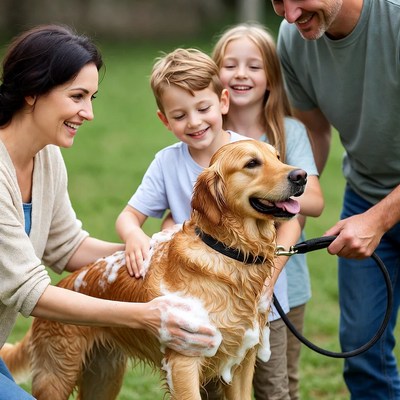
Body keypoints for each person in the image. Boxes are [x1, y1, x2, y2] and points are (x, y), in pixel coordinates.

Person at [0, 25, 220, 400]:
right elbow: (31, 292)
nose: (89, 113)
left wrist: (161, 252)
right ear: (33, 92)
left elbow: (67, 248)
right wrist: (145, 315)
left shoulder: (47, 157)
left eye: (92, 97)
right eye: (78, 97)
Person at [271, 0, 400, 398]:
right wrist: (290, 206)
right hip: (366, 191)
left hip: (375, 211)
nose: (290, 15)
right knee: (363, 347)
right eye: (277, 1)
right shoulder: (293, 38)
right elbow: (314, 131)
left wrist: (379, 220)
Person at [211, 23, 324, 400]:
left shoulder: (288, 132)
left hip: (285, 287)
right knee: (216, 384)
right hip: (220, 288)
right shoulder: (209, 137)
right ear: (217, 78)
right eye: (230, 65)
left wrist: (276, 195)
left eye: (254, 66)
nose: (241, 74)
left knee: (278, 385)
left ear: (271, 79)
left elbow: (315, 202)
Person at [115, 47, 251, 278]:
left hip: (248, 281)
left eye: (203, 108)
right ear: (165, 120)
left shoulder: (249, 154)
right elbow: (127, 217)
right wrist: (133, 235)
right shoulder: (166, 162)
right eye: (179, 116)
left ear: (223, 102)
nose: (194, 122)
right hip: (193, 283)